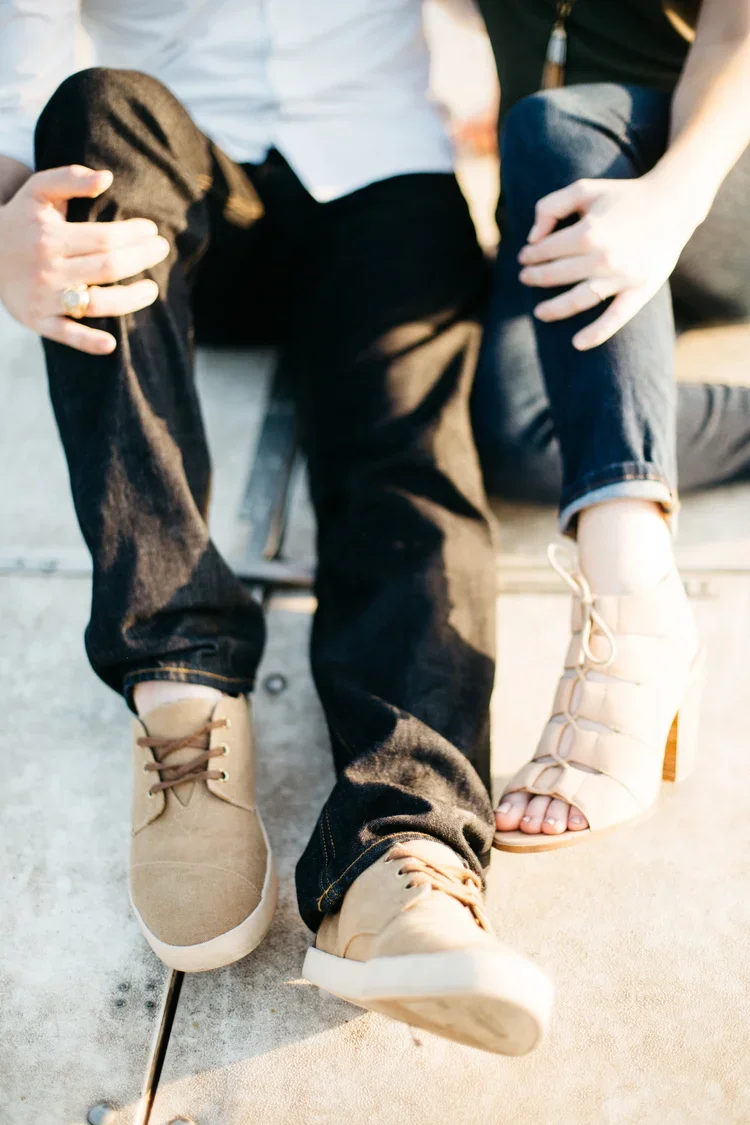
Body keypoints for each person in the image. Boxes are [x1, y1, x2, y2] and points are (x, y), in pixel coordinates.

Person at [0, 1, 554, 1054]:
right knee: (92, 115)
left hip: (384, 165)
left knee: (411, 464)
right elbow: (14, 91)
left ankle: (405, 846)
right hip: (175, 190)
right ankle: (182, 689)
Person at [470, 0, 750, 847]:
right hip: (559, 200)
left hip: (711, 180)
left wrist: (669, 202)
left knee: (557, 123)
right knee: (519, 432)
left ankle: (634, 599)